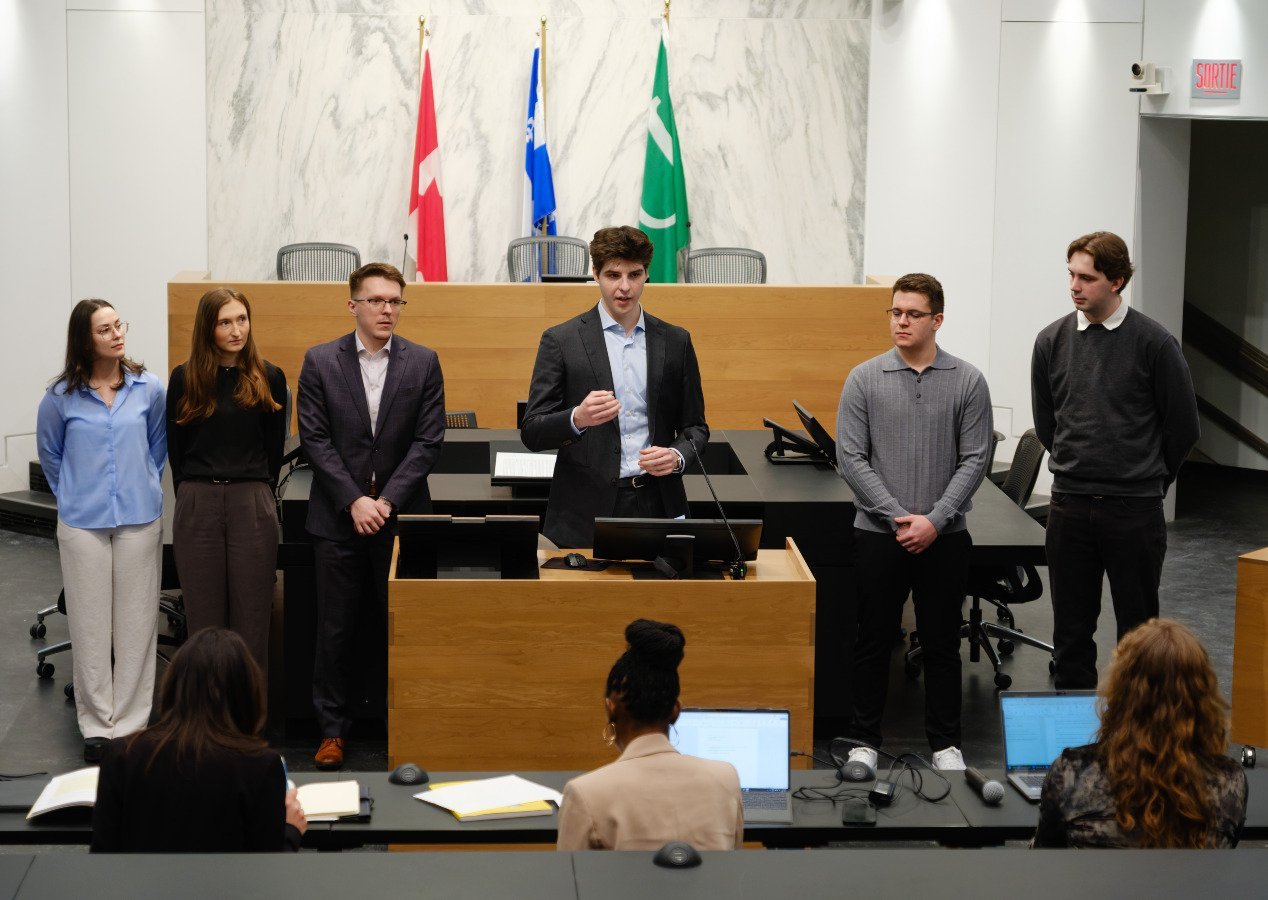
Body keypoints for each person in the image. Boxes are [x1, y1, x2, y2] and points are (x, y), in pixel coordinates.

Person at [835, 273, 992, 772]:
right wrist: (899, 518)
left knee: (941, 642)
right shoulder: (863, 378)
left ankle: (946, 745)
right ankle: (863, 740)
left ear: (937, 320)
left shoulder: (967, 381)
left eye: (913, 314)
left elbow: (976, 460)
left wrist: (935, 520)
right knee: (873, 639)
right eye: (895, 312)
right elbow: (852, 459)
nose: (901, 321)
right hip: (879, 536)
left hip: (945, 539)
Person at [1031, 231, 1200, 689]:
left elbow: (1183, 428)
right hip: (1069, 505)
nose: (1074, 286)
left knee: (1139, 634)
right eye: (1071, 274)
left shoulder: (1154, 342)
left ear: (1117, 281)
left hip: (1134, 509)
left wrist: (1147, 480)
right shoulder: (1051, 340)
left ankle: (1138, 742)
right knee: (1070, 631)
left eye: (1087, 277)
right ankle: (1072, 741)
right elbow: (1048, 424)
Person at [298, 261, 446, 769]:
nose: (387, 310)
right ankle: (332, 732)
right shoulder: (320, 361)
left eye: (395, 301)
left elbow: (429, 441)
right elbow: (314, 440)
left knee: (402, 626)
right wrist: (354, 500)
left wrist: (386, 502)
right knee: (334, 630)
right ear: (353, 305)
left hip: (401, 519)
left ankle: (403, 725)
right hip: (338, 520)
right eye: (377, 301)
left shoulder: (423, 361)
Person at [521, 225, 708, 549]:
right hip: (584, 510)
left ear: (647, 273)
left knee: (661, 601)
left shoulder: (676, 340)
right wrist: (577, 418)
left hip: (658, 503)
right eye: (613, 275)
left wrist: (678, 455)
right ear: (595, 273)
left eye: (634, 275)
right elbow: (532, 431)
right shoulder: (561, 340)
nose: (624, 287)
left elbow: (695, 427)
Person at [37, 299, 166, 764]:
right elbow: (51, 456)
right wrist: (74, 493)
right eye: (104, 329)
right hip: (82, 523)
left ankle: (131, 724)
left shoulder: (149, 388)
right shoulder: (59, 398)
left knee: (136, 626)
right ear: (84, 339)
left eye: (118, 325)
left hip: (139, 518)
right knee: (91, 628)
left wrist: (139, 484)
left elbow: (156, 447)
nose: (116, 334)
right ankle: (97, 725)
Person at [1033, 618, 1246, 848]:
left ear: (1119, 693)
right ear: (1203, 696)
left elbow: (1045, 859)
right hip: (1193, 886)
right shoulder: (1229, 782)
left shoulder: (1071, 774)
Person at [91, 627, 308, 852]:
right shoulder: (260, 767)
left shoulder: (121, 755)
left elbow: (103, 857)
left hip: (140, 887)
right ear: (246, 694)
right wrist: (291, 831)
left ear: (173, 685)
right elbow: (266, 871)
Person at [168, 288, 287, 683]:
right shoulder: (185, 378)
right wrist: (193, 495)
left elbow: (273, 450)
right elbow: (176, 450)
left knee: (253, 618)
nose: (237, 330)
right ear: (208, 328)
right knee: (203, 621)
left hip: (250, 498)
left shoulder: (269, 376)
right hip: (198, 499)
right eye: (225, 322)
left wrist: (250, 490)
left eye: (242, 319)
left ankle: (248, 728)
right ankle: (205, 725)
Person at [556, 619, 743, 851]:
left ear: (610, 707)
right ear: (676, 711)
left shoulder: (585, 794)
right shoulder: (726, 779)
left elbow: (570, 881)